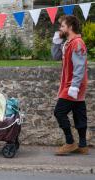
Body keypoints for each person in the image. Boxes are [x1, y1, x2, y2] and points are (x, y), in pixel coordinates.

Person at [51, 15, 89, 155]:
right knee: (79, 112)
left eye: (62, 26)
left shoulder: (77, 43)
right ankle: (83, 145)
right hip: (71, 84)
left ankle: (69, 142)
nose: (60, 28)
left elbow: (79, 67)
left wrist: (74, 86)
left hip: (73, 85)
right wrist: (56, 41)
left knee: (59, 112)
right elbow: (55, 57)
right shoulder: (67, 43)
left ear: (70, 27)